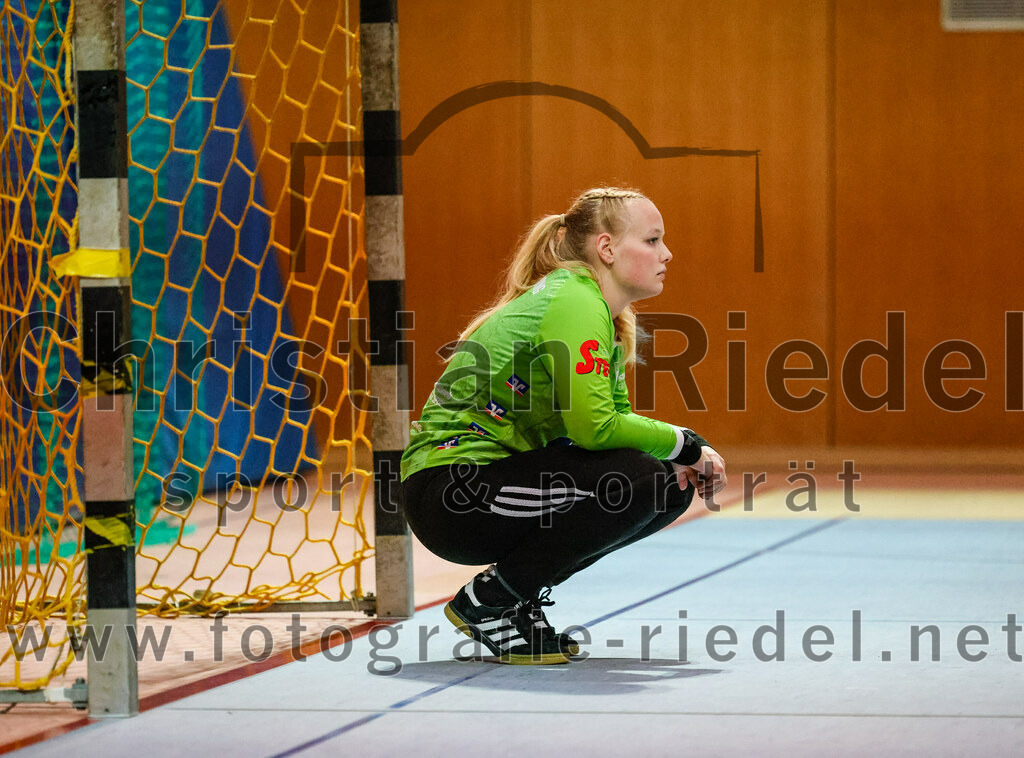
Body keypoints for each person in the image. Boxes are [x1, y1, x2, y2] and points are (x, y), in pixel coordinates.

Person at [400, 187, 727, 665]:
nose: (667, 253)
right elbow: (596, 430)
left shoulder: (600, 315)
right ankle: (493, 599)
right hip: (451, 494)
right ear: (607, 249)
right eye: (653, 240)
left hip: (485, 488)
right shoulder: (575, 299)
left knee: (666, 486)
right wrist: (686, 443)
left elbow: (604, 427)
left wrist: (679, 458)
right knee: (641, 478)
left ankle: (513, 597)